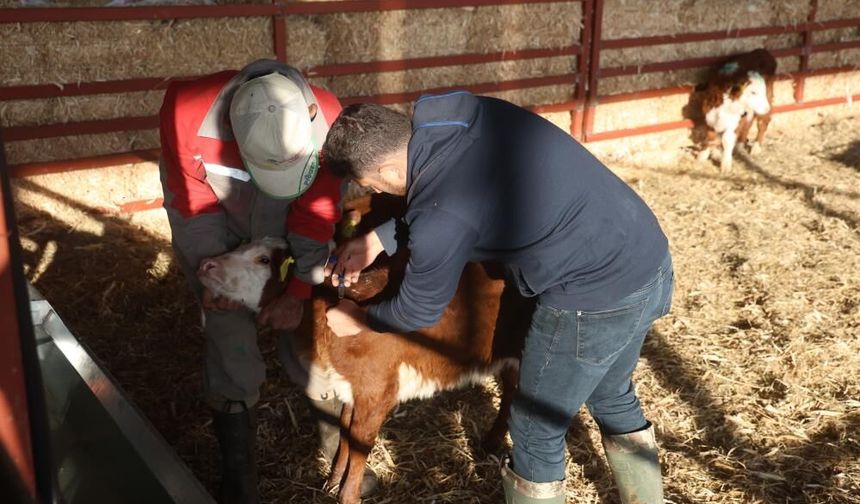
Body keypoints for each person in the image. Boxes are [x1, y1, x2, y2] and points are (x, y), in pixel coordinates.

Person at [321, 94, 673, 504]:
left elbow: (419, 307)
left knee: (534, 426)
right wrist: (378, 238)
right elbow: (456, 197)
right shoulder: (458, 114)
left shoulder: (440, 218)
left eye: (372, 184)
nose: (375, 191)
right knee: (612, 393)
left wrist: (359, 320)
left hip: (591, 295)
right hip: (647, 255)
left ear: (385, 168)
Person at [158, 59, 376, 503]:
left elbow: (315, 216)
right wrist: (217, 280)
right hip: (219, 219)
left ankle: (333, 438)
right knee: (228, 333)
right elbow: (191, 202)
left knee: (312, 319)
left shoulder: (329, 117)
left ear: (311, 118)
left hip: (289, 218)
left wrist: (297, 290)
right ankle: (240, 478)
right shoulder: (186, 110)